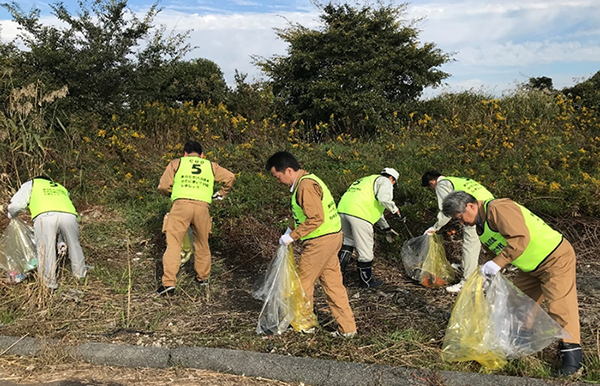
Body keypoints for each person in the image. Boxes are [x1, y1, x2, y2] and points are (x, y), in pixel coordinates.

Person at [441, 191, 582, 376]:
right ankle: (523, 348)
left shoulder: (498, 208)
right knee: (517, 304)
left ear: (470, 206)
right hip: (530, 267)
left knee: (560, 306)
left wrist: (497, 264)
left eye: (460, 218)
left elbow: (520, 238)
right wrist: (487, 274)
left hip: (555, 258)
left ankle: (573, 362)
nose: (461, 223)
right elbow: (496, 250)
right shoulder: (481, 226)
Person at [266, 151, 357, 337]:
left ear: (289, 170)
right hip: (332, 237)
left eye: (278, 176)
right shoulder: (308, 180)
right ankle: (348, 329)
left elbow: (316, 218)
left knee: (302, 283)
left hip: (320, 242)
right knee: (333, 285)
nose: (278, 181)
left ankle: (304, 324)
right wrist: (290, 229)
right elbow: (304, 214)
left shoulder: (305, 187)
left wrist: (293, 236)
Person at [156, 140, 235, 296]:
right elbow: (230, 177)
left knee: (173, 244)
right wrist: (221, 194)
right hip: (202, 208)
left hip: (180, 206)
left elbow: (163, 186)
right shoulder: (211, 166)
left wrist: (174, 195)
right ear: (202, 155)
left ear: (185, 154)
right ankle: (202, 278)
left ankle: (168, 284)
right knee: (202, 243)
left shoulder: (176, 163)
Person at [7, 176, 87, 289]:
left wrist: (11, 214)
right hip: (69, 215)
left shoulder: (32, 183)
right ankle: (80, 276)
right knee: (75, 245)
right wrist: (60, 241)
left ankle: (49, 284)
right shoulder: (60, 186)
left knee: (46, 249)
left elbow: (16, 205)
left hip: (45, 216)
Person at [421, 170, 494, 293]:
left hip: (473, 212)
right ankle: (467, 267)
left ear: (432, 182)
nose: (432, 190)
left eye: (430, 188)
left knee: (470, 245)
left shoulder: (441, 185)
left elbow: (447, 211)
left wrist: (435, 227)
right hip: (488, 208)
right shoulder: (456, 180)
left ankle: (467, 282)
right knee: (478, 243)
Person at [337, 168, 405, 288]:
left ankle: (336, 276)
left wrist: (386, 228)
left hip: (342, 211)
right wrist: (397, 211)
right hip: (360, 215)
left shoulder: (367, 181)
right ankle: (366, 282)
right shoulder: (385, 181)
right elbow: (384, 199)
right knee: (366, 252)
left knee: (348, 242)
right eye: (393, 184)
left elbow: (377, 212)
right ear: (392, 179)